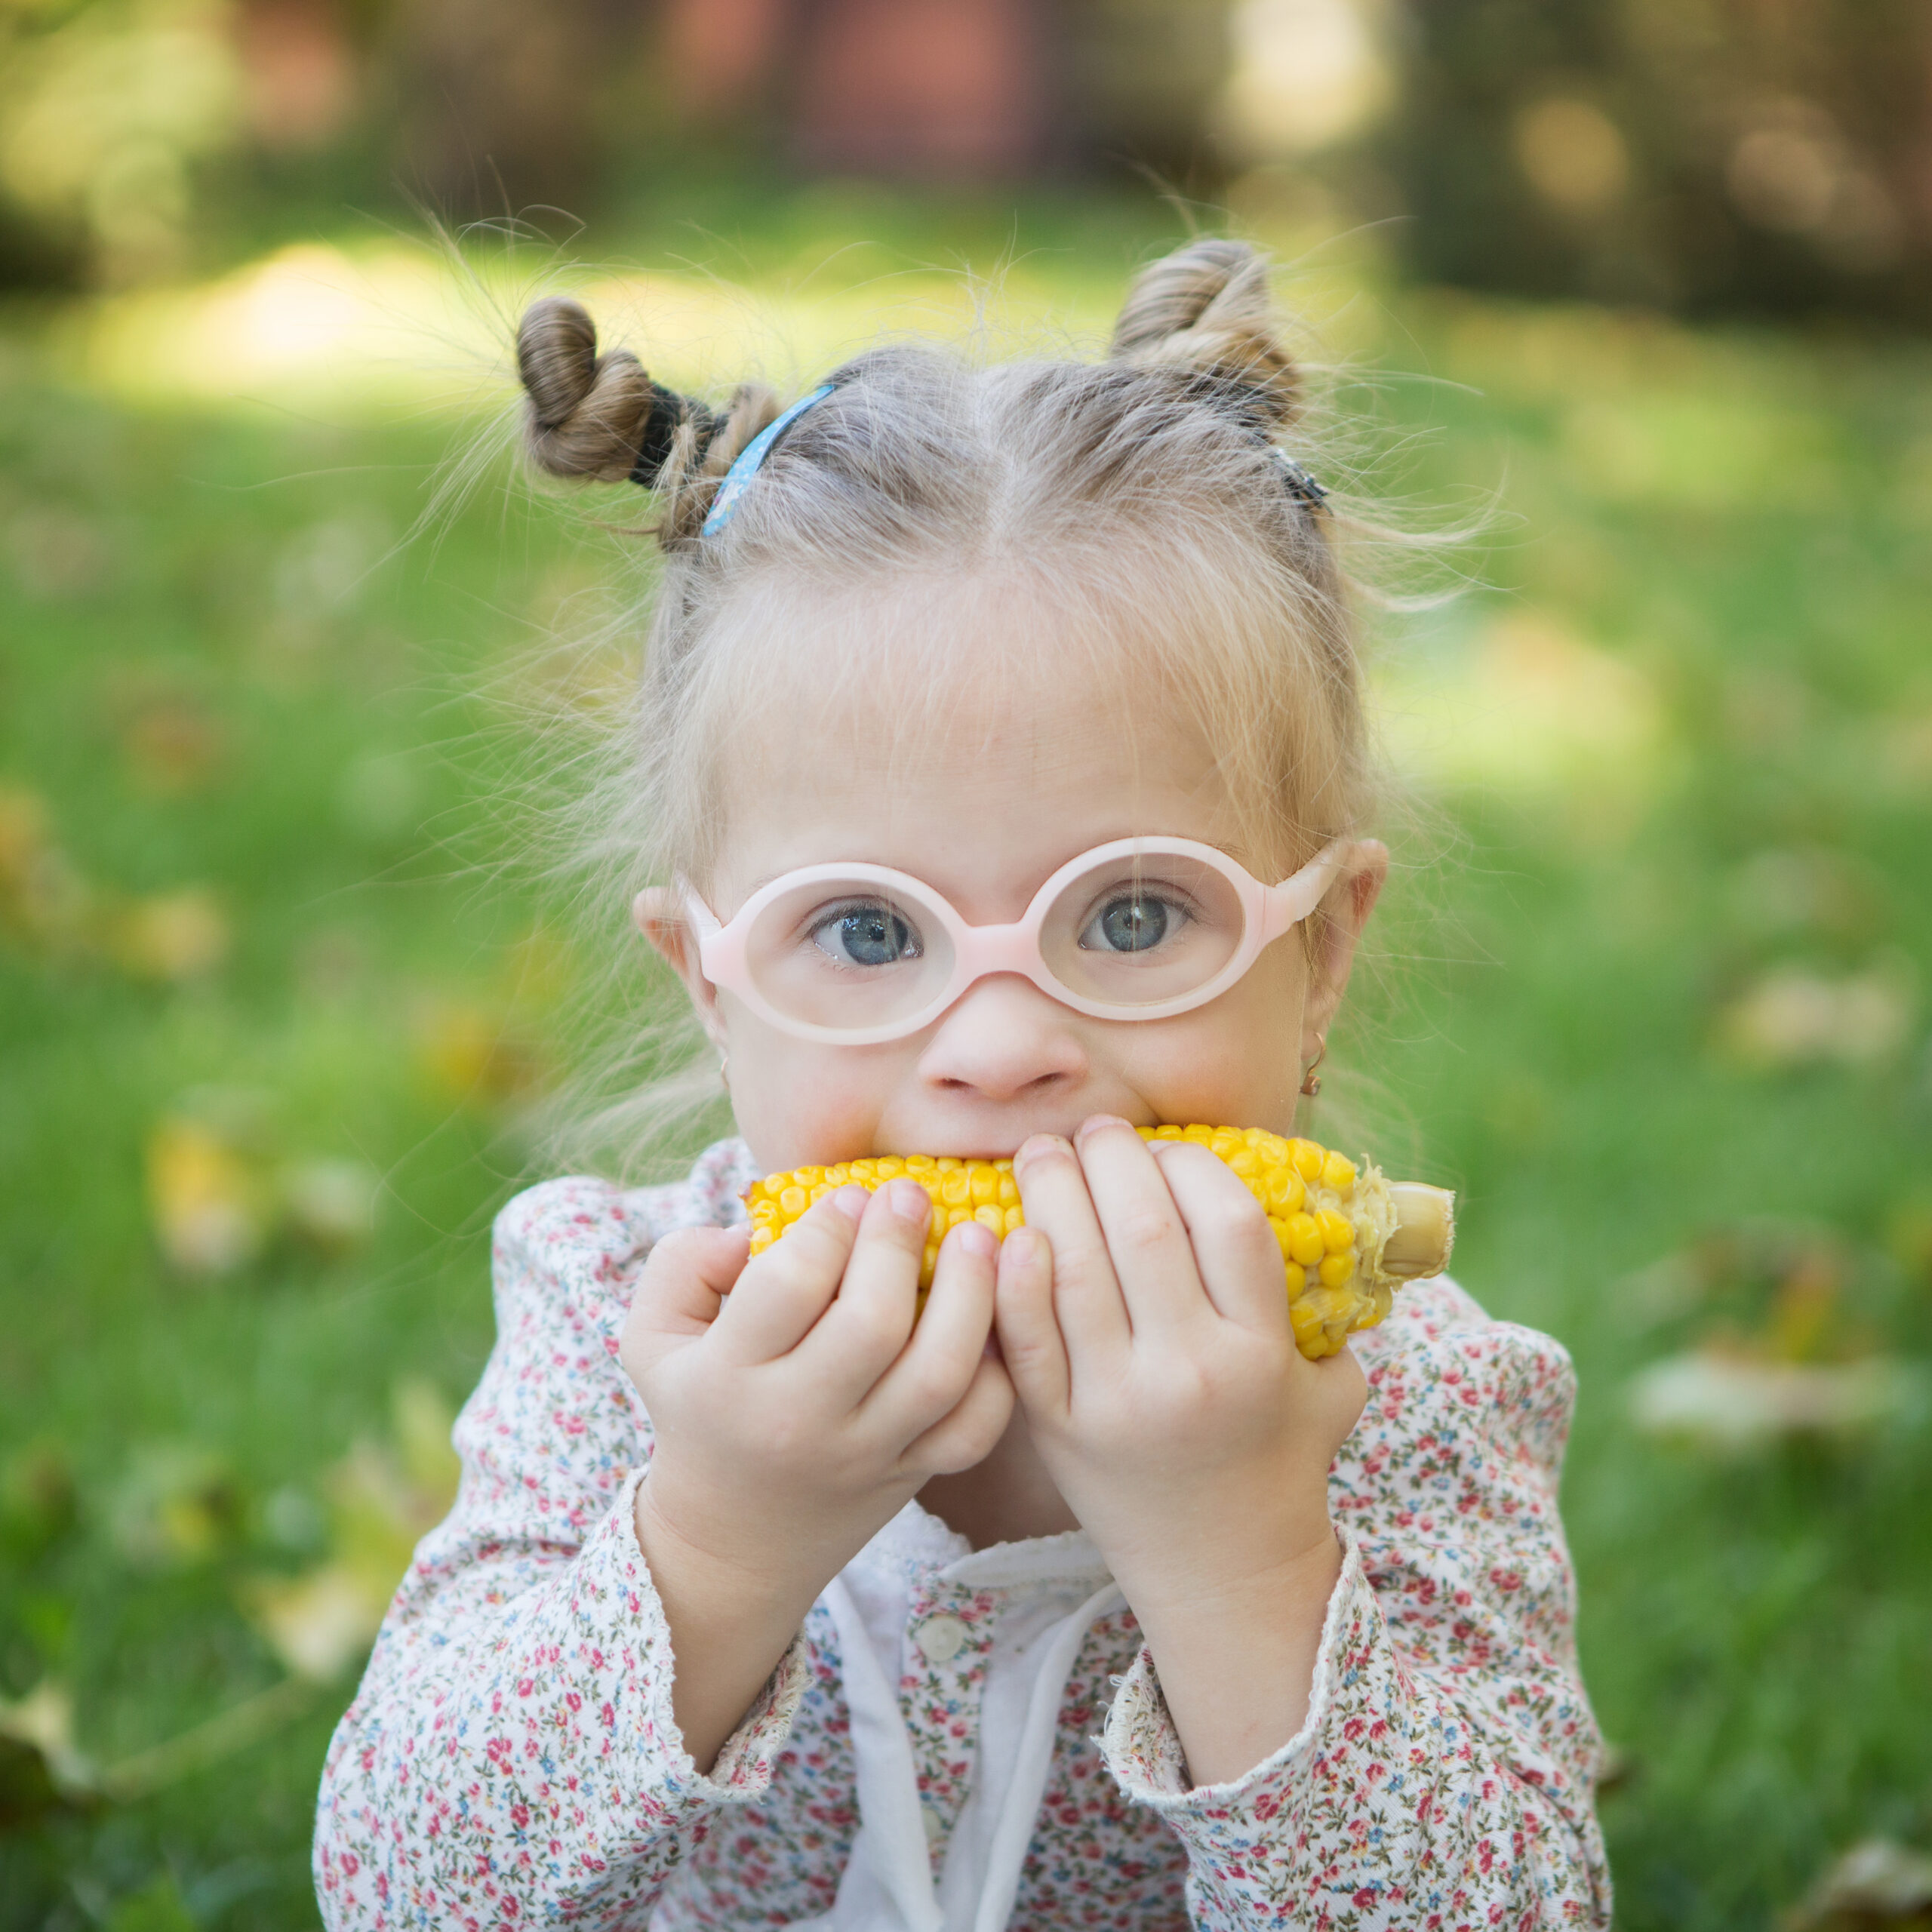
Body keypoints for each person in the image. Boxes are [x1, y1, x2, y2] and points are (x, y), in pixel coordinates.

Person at [313, 238, 1611, 1930]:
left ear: (1322, 954)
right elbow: (396, 1885)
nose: (999, 1046)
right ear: (709, 986)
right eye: (863, 930)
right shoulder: (612, 1323)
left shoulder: (1403, 1394)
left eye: (1133, 913)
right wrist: (711, 1541)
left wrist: (1246, 1555)